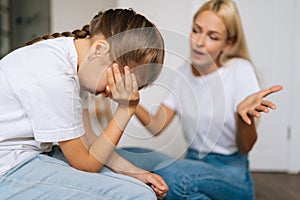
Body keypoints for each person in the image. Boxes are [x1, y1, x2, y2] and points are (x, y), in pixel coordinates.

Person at [116, 1, 283, 200]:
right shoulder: (182, 75)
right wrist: (130, 102)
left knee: (170, 177)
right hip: (193, 163)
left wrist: (241, 115)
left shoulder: (239, 69)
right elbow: (157, 126)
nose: (199, 42)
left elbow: (245, 147)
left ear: (228, 43)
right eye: (196, 31)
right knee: (124, 155)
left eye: (212, 37)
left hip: (231, 171)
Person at [0, 8, 168, 199]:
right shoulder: (57, 76)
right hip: (7, 167)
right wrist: (126, 109)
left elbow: (88, 142)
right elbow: (86, 163)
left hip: (29, 155)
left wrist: (135, 173)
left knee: (139, 187)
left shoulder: (77, 67)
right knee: (139, 195)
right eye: (123, 80)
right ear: (99, 49)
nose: (115, 90)